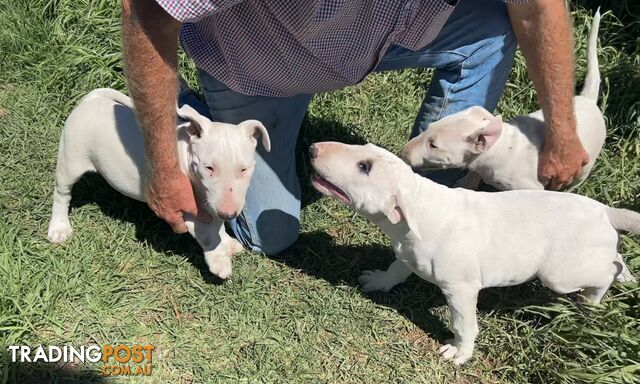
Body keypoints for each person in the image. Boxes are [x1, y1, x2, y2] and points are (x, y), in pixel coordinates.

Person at [121, 0, 589, 255]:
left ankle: (431, 194)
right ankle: (188, 113)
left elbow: (536, 7)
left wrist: (563, 131)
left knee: (492, 28)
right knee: (269, 236)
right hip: (257, 69)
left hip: (376, 39)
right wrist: (164, 163)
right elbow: (147, 12)